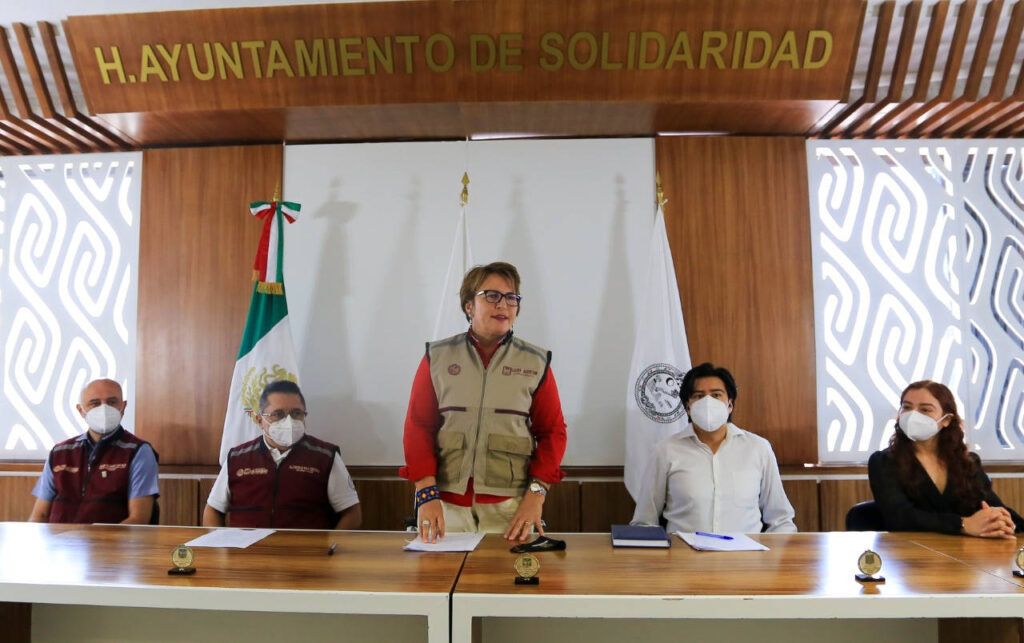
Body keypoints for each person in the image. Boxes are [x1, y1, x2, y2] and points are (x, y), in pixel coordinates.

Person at [401, 261, 568, 543]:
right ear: (469, 306)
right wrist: (426, 493)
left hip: (510, 507)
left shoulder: (535, 362)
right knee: (439, 581)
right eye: (492, 295)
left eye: (511, 298)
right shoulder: (438, 357)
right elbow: (418, 426)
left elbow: (553, 433)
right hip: (445, 504)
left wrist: (536, 497)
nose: (503, 304)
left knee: (505, 585)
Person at [631, 362, 796, 534]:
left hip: (746, 556)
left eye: (716, 395)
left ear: (730, 404)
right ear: (688, 407)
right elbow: (645, 521)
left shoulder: (758, 448)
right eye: (699, 396)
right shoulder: (665, 451)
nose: (708, 402)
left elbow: (781, 520)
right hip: (684, 557)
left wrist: (770, 558)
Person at [868, 380, 1023, 537]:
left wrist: (1006, 523)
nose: (913, 415)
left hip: (966, 553)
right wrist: (963, 524)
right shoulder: (883, 462)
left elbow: (992, 506)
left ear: (946, 420)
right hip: (911, 555)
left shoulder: (968, 462)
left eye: (925, 410)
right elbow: (900, 517)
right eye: (907, 407)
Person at [203, 380, 361, 529]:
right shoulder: (237, 458)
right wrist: (221, 548)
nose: (289, 421)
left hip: (306, 554)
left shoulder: (325, 457)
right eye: (278, 414)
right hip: (247, 554)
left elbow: (352, 514)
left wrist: (331, 548)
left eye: (296, 413)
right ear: (259, 420)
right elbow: (213, 511)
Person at [28, 378, 159, 524]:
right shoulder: (60, 452)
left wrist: (101, 544)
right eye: (95, 403)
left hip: (109, 544)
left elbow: (138, 519)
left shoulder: (138, 451)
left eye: (112, 402)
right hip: (58, 543)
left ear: (123, 406)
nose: (104, 409)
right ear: (81, 410)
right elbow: (39, 515)